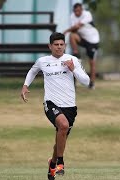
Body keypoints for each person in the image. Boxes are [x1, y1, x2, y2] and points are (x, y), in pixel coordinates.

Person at [20, 32, 90, 180]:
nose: (59, 47)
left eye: (61, 45)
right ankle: (61, 162)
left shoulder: (72, 60)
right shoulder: (43, 61)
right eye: (56, 45)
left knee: (61, 138)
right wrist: (25, 86)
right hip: (51, 103)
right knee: (63, 125)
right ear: (50, 46)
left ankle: (52, 164)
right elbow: (32, 71)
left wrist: (73, 69)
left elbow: (86, 81)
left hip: (70, 106)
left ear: (65, 45)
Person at [63, 3, 100, 89]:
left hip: (92, 41)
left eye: (78, 11)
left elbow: (77, 26)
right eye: (75, 11)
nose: (77, 13)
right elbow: (74, 29)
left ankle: (92, 83)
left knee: (92, 63)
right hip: (82, 39)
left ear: (81, 10)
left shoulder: (87, 14)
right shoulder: (72, 16)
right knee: (72, 35)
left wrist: (65, 31)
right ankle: (76, 54)